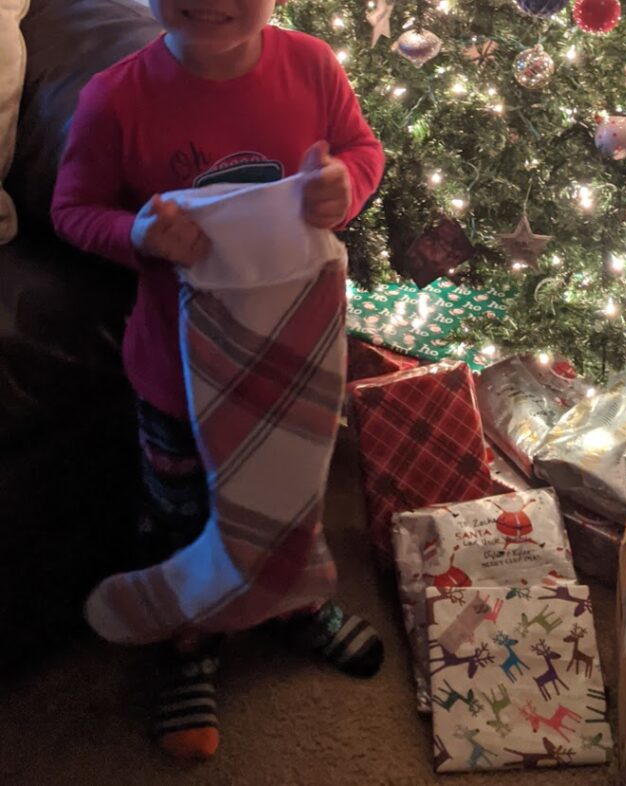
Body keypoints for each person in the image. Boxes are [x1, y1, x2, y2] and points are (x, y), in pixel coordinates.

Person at [51, 0, 386, 761]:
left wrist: (345, 185)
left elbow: (363, 150)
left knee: (292, 493)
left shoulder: (311, 66)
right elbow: (72, 209)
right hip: (175, 370)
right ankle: (187, 642)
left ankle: (294, 602)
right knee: (183, 513)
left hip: (296, 354)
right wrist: (137, 232)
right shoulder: (117, 96)